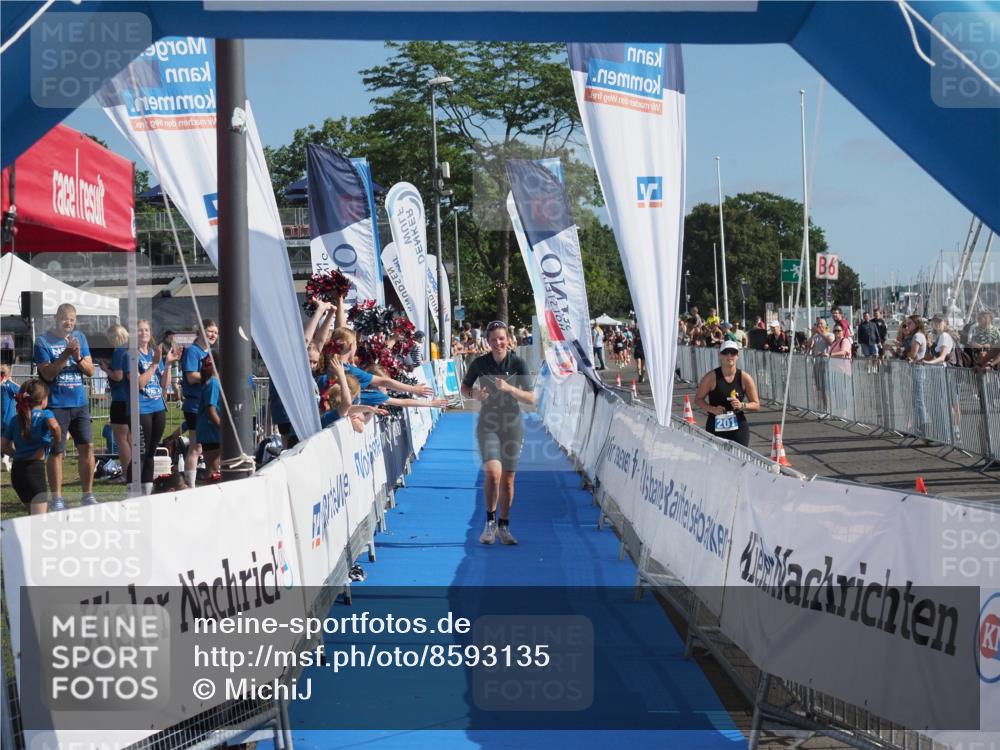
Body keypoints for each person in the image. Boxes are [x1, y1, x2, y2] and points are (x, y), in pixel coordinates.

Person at [460, 321, 535, 545]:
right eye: (493, 340)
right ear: (488, 341)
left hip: (512, 425)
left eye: (501, 338)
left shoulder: (518, 363)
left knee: (509, 481)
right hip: (488, 424)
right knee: (493, 474)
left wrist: (510, 388)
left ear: (508, 339)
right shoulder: (480, 363)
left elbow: (532, 399)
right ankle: (489, 523)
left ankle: (504, 525)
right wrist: (475, 395)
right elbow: (464, 388)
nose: (498, 343)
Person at [33, 303, 96, 510]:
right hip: (56, 405)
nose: (68, 322)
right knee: (57, 451)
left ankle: (87, 495)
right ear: (56, 317)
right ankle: (57, 498)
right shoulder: (42, 341)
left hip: (80, 403)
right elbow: (47, 374)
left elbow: (90, 371)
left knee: (86, 447)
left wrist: (77, 356)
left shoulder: (81, 338)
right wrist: (65, 355)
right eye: (64, 318)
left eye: (72, 319)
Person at [119, 320, 180, 494]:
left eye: (146, 329)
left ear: (150, 333)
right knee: (140, 453)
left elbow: (164, 384)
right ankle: (133, 491)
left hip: (157, 407)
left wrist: (167, 364)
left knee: (151, 453)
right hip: (141, 409)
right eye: (139, 330)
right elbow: (138, 383)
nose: (143, 333)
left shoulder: (154, 354)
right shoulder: (130, 355)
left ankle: (147, 491)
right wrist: (154, 364)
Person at [1, 379, 61, 514]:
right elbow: (55, 426)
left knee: (31, 517)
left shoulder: (16, 419)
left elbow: (2, 444)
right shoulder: (46, 414)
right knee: (40, 521)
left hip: (17, 471)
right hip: (35, 471)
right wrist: (56, 441)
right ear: (43, 400)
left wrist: (15, 454)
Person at [694, 341, 760, 447]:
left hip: (738, 428)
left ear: (737, 356)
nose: (729, 356)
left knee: (739, 461)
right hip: (715, 427)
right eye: (726, 353)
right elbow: (698, 399)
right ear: (720, 355)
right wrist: (712, 409)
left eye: (733, 353)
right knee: (715, 462)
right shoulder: (711, 377)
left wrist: (742, 405)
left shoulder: (745, 378)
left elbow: (756, 405)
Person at [181, 319, 219, 488]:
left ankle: (202, 479)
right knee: (196, 446)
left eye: (216, 333)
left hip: (204, 404)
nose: (213, 335)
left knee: (203, 446)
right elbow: (191, 376)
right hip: (195, 405)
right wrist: (213, 377)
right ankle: (190, 484)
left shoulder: (209, 352)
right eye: (210, 331)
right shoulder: (192, 352)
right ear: (201, 331)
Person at [99, 324, 131, 484]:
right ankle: (134, 472)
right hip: (132, 400)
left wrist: (106, 368)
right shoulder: (131, 349)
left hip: (120, 400)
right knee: (132, 439)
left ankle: (127, 474)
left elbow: (118, 376)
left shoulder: (119, 351)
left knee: (122, 440)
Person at [902, 315, 930, 437]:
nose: (907, 326)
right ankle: (917, 426)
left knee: (919, 400)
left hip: (918, 368)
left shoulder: (918, 336)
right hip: (916, 368)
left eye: (910, 324)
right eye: (907, 323)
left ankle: (924, 427)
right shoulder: (915, 336)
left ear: (917, 324)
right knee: (916, 400)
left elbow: (913, 354)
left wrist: (906, 354)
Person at [196, 357, 222, 482]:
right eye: (203, 364)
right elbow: (210, 410)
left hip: (211, 430)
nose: (203, 368)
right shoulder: (213, 383)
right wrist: (223, 429)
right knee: (213, 469)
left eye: (207, 364)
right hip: (211, 431)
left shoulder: (215, 382)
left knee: (214, 468)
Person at [0, 364, 20, 471]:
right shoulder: (9, 385)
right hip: (8, 417)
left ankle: (4, 459)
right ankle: (6, 459)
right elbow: (21, 391)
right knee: (10, 440)